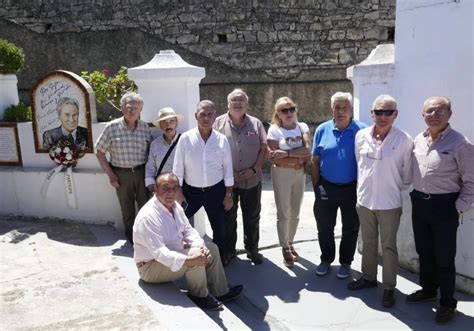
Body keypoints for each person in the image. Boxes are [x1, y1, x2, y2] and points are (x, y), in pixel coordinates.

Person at [406, 96, 474, 324]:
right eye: (429, 111)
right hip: (420, 203)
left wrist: (458, 207)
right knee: (424, 251)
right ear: (422, 115)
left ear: (449, 114)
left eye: (440, 111)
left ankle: (447, 303)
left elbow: (471, 181)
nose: (434, 115)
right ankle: (428, 290)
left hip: (445, 205)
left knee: (444, 257)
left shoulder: (460, 143)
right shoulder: (418, 139)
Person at [133, 173, 244, 310]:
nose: (170, 193)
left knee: (212, 248)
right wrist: (189, 260)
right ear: (156, 189)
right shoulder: (148, 217)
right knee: (194, 257)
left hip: (169, 255)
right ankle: (199, 296)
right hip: (150, 267)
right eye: (165, 188)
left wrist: (201, 246)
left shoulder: (175, 207)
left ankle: (220, 292)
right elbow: (159, 253)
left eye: (174, 188)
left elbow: (188, 230)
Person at [347, 95, 413, 308]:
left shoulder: (404, 140)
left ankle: (389, 288)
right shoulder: (360, 136)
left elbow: (407, 176)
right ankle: (368, 278)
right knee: (368, 242)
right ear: (371, 114)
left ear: (396, 114)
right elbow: (360, 164)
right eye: (378, 112)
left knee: (388, 247)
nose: (383, 117)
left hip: (390, 203)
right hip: (365, 200)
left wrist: (388, 186)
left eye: (388, 112)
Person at [311, 92, 367, 279]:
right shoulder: (322, 129)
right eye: (337, 107)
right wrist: (316, 186)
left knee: (350, 228)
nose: (341, 111)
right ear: (332, 109)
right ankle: (326, 259)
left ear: (351, 109)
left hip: (352, 188)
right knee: (325, 226)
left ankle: (345, 262)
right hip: (326, 186)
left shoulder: (362, 131)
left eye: (345, 107)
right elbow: (315, 160)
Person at [173, 100, 234, 266]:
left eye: (209, 114)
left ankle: (219, 262)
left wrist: (228, 194)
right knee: (178, 225)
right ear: (196, 116)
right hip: (190, 192)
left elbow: (228, 169)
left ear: (214, 116)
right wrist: (178, 190)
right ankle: (179, 259)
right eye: (202, 114)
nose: (206, 118)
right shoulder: (185, 138)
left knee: (220, 229)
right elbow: (178, 166)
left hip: (216, 191)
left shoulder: (221, 140)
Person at [213, 89, 267, 265]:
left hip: (252, 179)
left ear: (246, 104)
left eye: (241, 100)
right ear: (227, 104)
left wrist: (254, 169)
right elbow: (213, 151)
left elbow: (263, 148)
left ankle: (252, 249)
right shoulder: (217, 124)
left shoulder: (256, 123)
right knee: (228, 217)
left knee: (252, 216)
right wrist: (227, 173)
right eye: (234, 100)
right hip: (227, 181)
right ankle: (228, 251)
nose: (237, 103)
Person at [95, 92, 152, 243]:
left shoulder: (145, 128)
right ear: (121, 108)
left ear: (141, 110)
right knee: (127, 209)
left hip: (142, 172)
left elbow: (150, 152)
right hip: (121, 174)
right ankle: (132, 237)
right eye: (128, 106)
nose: (132, 110)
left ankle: (146, 236)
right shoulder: (112, 127)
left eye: (136, 107)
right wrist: (111, 175)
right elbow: (99, 152)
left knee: (146, 207)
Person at [267, 96, 311, 268]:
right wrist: (296, 156)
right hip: (281, 173)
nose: (289, 113)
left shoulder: (302, 127)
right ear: (278, 114)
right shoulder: (274, 130)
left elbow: (307, 150)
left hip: (299, 173)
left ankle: (290, 241)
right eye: (284, 110)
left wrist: (285, 154)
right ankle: (284, 247)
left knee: (296, 211)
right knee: (283, 212)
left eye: (291, 108)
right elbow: (272, 155)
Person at [145, 107, 183, 194]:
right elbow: (150, 168)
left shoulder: (184, 141)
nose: (168, 125)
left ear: (176, 124)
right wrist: (153, 188)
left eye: (171, 121)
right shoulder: (154, 144)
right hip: (161, 190)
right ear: (160, 126)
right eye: (164, 122)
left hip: (181, 190)